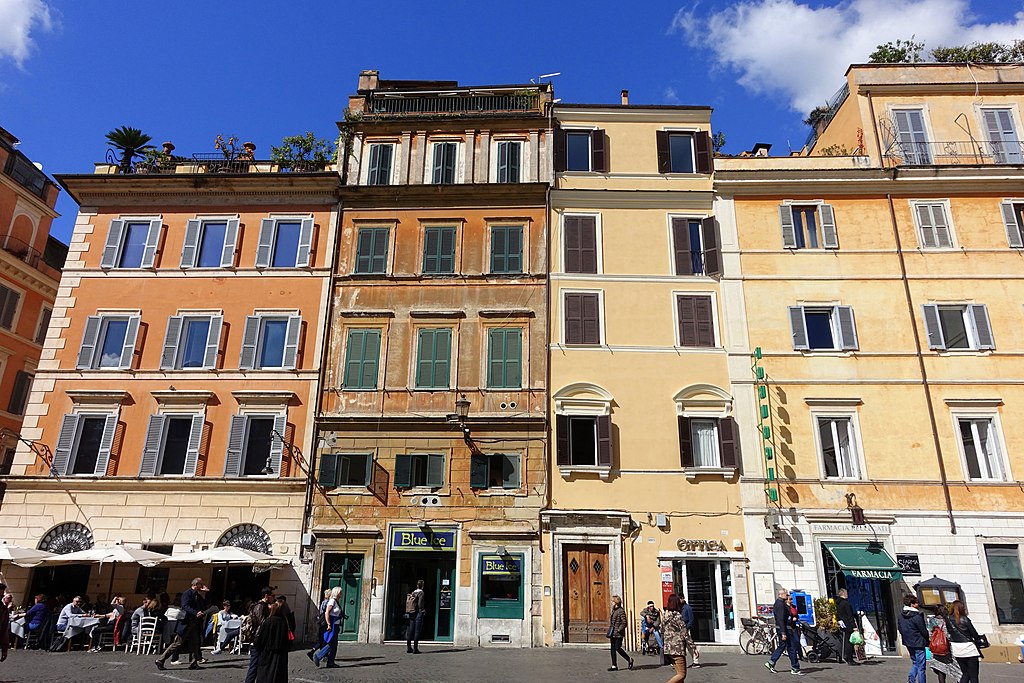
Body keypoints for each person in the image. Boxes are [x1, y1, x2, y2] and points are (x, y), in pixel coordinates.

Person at [155, 577, 209, 671]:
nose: (202, 586)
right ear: (195, 585)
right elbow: (185, 606)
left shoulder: (198, 594)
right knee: (177, 643)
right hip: (186, 622)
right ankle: (160, 660)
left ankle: (193, 663)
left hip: (194, 622)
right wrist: (195, 612)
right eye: (200, 584)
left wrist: (204, 593)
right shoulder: (187, 593)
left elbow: (204, 604)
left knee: (195, 643)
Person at [765, 589, 803, 675]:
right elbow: (781, 619)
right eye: (786, 594)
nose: (788, 596)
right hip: (785, 629)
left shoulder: (780, 603)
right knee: (791, 647)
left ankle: (771, 662)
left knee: (782, 646)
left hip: (784, 628)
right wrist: (783, 632)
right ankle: (795, 667)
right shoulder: (781, 604)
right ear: (781, 594)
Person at [243, 587, 276, 683]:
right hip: (257, 640)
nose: (273, 598)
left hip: (260, 639)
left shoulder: (263, 606)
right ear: (266, 596)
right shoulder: (260, 607)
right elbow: (263, 623)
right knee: (254, 665)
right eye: (272, 596)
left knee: (259, 665)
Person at [946, 600, 981, 683]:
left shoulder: (948, 619)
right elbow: (974, 633)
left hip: (957, 648)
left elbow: (949, 632)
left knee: (965, 673)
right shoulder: (964, 619)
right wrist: (978, 639)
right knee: (973, 676)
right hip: (969, 648)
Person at [255, 601, 290, 683]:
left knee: (265, 674)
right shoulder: (284, 621)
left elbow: (262, 638)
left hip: (268, 652)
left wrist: (258, 646)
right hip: (280, 653)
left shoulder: (268, 621)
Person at [897, 594, 929, 683]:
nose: (918, 605)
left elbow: (900, 628)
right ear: (912, 604)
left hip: (908, 642)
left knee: (915, 663)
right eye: (916, 603)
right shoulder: (917, 616)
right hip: (918, 642)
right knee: (921, 667)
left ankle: (911, 680)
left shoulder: (900, 615)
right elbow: (923, 630)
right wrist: (927, 638)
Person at [927, 605, 962, 683]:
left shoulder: (932, 620)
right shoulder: (948, 620)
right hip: (948, 648)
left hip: (937, 648)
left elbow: (929, 634)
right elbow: (951, 634)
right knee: (957, 669)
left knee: (940, 670)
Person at [662, 593, 692, 683]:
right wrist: (693, 648)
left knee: (679, 676)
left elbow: (661, 629)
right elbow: (685, 633)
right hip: (677, 648)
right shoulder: (678, 616)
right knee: (682, 674)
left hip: (668, 648)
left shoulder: (665, 616)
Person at [312, 586, 344, 668]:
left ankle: (330, 662)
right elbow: (327, 613)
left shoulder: (336, 601)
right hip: (332, 624)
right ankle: (319, 656)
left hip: (336, 624)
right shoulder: (332, 601)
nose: (341, 594)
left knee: (334, 644)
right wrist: (329, 624)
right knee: (332, 643)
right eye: (340, 592)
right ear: (337, 593)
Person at [607, 594, 634, 671]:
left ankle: (629, 659)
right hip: (613, 632)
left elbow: (624, 622)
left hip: (618, 633)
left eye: (612, 601)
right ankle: (614, 665)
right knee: (612, 649)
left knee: (617, 648)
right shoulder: (614, 610)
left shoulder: (621, 611)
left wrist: (619, 629)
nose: (611, 602)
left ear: (616, 602)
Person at [835, 589, 859, 665]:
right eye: (846, 593)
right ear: (844, 594)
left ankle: (846, 656)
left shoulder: (838, 604)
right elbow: (850, 616)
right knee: (849, 642)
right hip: (848, 624)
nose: (847, 595)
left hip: (843, 624)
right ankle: (850, 659)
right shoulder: (846, 603)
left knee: (846, 641)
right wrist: (854, 626)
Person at [307, 589, 331, 662]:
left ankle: (312, 652)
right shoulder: (327, 603)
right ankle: (322, 655)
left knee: (321, 640)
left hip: (321, 623)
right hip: (325, 623)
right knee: (325, 640)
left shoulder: (323, 602)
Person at [680, 594, 701, 667]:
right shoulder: (679, 608)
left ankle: (696, 661)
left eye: (680, 599)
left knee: (690, 645)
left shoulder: (687, 608)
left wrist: (687, 628)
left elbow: (691, 619)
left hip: (686, 629)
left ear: (683, 598)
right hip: (680, 629)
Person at [405, 579, 426, 654]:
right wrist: (422, 610)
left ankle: (408, 647)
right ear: (422, 585)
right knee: (417, 631)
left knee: (410, 630)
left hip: (411, 612)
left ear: (417, 585)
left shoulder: (413, 592)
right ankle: (415, 648)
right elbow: (420, 603)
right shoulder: (421, 593)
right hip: (418, 613)